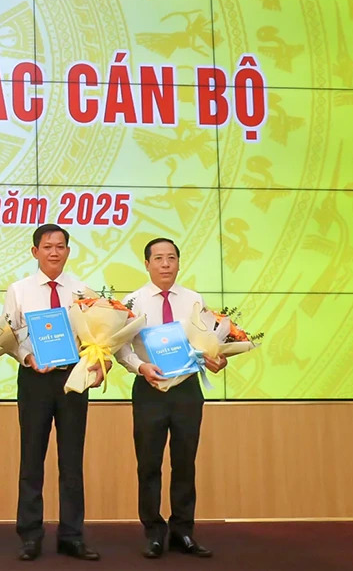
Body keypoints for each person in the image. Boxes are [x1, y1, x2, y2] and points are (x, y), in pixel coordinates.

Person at [117, 238, 226, 560]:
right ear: (147, 264)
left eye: (171, 258)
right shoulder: (132, 301)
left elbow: (208, 342)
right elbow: (120, 346)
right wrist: (140, 366)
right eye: (158, 258)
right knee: (149, 464)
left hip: (187, 390)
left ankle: (183, 531)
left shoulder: (194, 300)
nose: (165, 264)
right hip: (149, 389)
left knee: (184, 462)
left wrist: (218, 357)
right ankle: (153, 532)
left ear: (178, 262)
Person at [5, 224, 106, 562]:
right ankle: (30, 536)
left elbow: (96, 337)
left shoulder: (83, 291)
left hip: (72, 380)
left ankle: (72, 536)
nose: (54, 252)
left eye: (60, 246)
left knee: (72, 460)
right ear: (35, 251)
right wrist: (27, 357)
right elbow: (11, 336)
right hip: (34, 379)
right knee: (31, 459)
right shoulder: (18, 290)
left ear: (68, 251)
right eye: (47, 246)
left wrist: (97, 361)